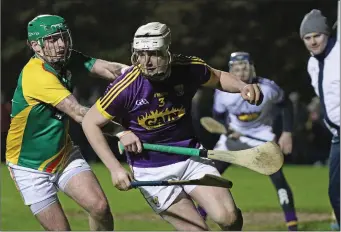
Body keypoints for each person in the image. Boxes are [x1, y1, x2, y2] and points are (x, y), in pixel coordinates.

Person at [82, 22, 262, 231]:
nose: (146, 62)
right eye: (140, 54)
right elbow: (90, 122)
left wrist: (242, 86)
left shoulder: (188, 68)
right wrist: (115, 168)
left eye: (154, 54)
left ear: (167, 52)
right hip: (151, 170)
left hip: (190, 156)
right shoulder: (126, 86)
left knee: (229, 218)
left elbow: (219, 77)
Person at [6, 14, 129, 231]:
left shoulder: (64, 58)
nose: (61, 45)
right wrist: (122, 132)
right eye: (53, 40)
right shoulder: (36, 76)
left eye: (63, 37)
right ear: (36, 46)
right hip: (29, 166)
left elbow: (108, 68)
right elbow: (80, 113)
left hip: (62, 154)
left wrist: (136, 74)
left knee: (100, 207)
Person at [196, 52, 299, 231]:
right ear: (230, 70)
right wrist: (227, 130)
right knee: (209, 177)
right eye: (236, 68)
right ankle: (197, 221)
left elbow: (286, 104)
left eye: (244, 67)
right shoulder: (223, 92)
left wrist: (287, 133)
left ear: (252, 67)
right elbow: (217, 118)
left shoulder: (268, 88)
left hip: (262, 139)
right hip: (232, 140)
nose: (241, 72)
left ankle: (292, 225)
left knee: (278, 178)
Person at [300, 9, 340, 226]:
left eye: (317, 36)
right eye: (308, 38)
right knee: (336, 193)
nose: (313, 41)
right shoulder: (312, 64)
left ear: (327, 34)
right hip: (337, 136)